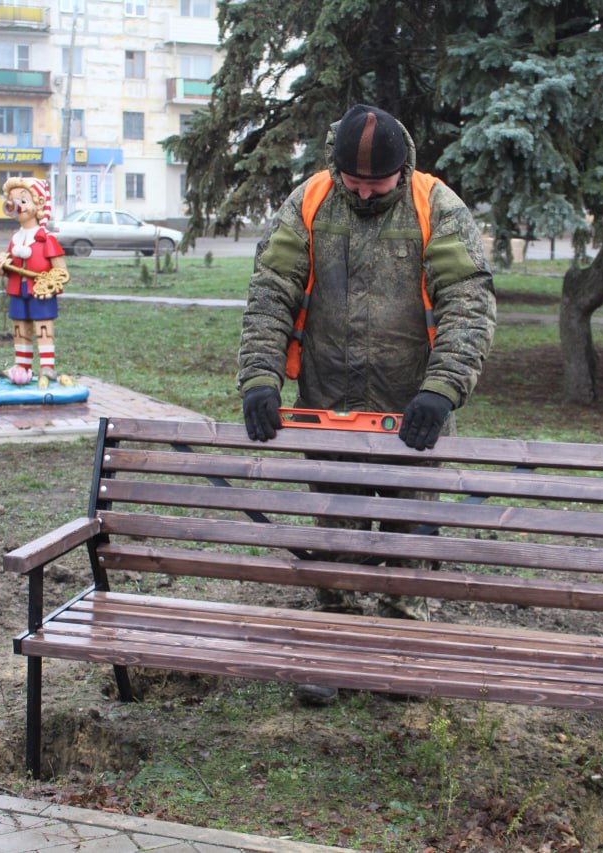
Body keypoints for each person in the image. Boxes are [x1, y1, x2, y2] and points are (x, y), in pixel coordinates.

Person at [237, 104, 496, 703]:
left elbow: (467, 303)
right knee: (336, 522)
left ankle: (403, 650)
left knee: (412, 526)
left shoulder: (438, 206)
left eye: (375, 182)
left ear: (401, 170)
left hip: (413, 407)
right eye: (353, 181)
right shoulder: (309, 200)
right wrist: (259, 378)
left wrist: (442, 389)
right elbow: (271, 290)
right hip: (328, 399)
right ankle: (332, 643)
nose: (362, 190)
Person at [0, 177, 75, 389]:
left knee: (43, 327)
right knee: (20, 328)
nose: (17, 206)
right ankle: (22, 367)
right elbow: (8, 263)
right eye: (13, 200)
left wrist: (50, 282)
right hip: (18, 290)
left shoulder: (46, 238)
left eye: (23, 200)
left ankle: (47, 367)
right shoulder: (15, 238)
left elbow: (60, 270)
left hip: (41, 292)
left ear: (39, 204)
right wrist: (0, 267)